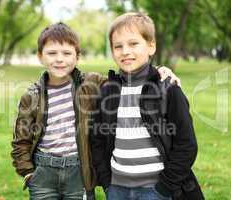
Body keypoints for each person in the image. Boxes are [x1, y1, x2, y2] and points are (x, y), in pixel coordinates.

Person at [11, 22, 180, 200]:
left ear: (77, 57)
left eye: (67, 53)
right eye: (52, 53)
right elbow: (21, 139)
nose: (59, 59)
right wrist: (28, 173)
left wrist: (159, 71)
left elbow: (124, 80)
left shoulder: (91, 84)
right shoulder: (32, 96)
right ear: (40, 56)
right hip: (43, 172)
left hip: (79, 170)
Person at [90, 12, 204, 200]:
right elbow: (97, 141)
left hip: (156, 188)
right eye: (118, 46)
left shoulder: (167, 89)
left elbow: (187, 144)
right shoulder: (107, 92)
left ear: (151, 46)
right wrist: (107, 182)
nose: (125, 51)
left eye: (133, 43)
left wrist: (165, 187)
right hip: (117, 188)